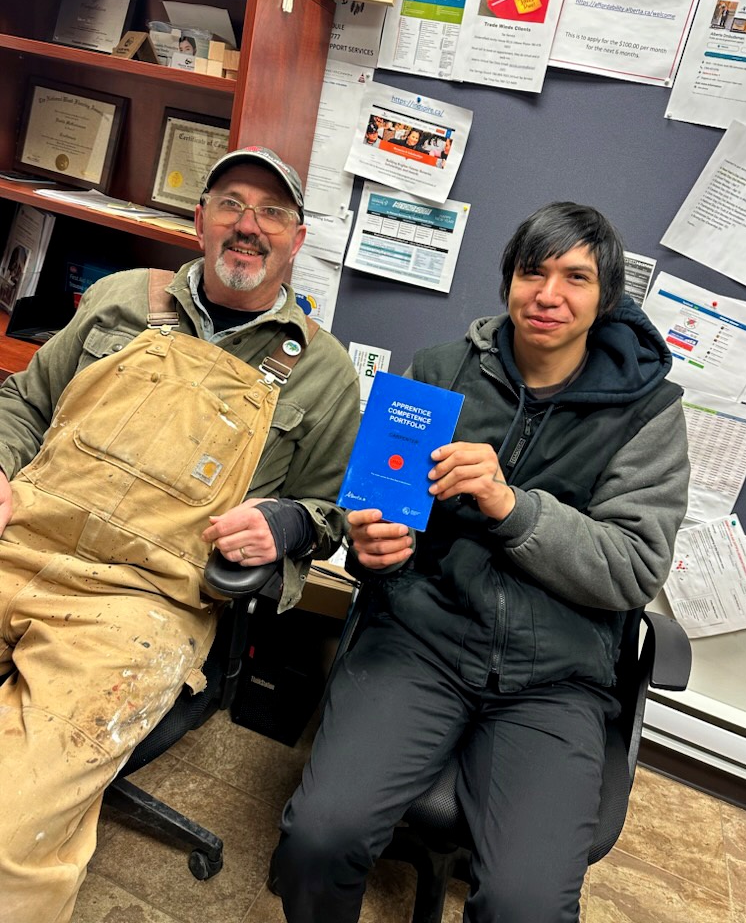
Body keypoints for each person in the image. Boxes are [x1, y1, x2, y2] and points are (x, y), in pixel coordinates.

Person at [272, 201, 690, 922]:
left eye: (576, 278)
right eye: (532, 271)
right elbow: (366, 513)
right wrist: (370, 546)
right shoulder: (439, 373)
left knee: (527, 906)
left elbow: (632, 567)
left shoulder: (647, 413)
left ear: (606, 298)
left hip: (555, 678)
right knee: (317, 838)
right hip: (420, 644)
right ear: (508, 282)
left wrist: (510, 504)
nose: (548, 295)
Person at [0, 145, 360, 921]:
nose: (247, 226)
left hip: (136, 608)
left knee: (12, 827)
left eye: (272, 213)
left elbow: (328, 516)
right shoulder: (125, 297)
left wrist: (285, 524)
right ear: (199, 219)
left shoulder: (323, 372)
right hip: (20, 538)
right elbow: (26, 403)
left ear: (297, 240)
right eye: (230, 202)